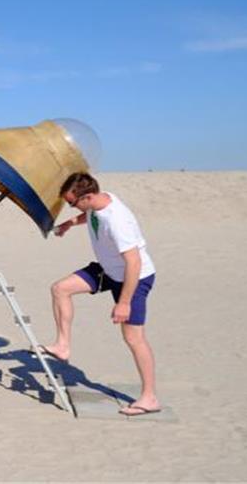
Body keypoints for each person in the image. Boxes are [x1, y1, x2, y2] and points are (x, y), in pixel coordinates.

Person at [44, 172, 160, 416]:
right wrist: (69, 223)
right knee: (60, 289)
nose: (71, 207)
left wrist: (124, 303)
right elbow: (89, 215)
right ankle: (63, 345)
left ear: (87, 197)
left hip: (134, 279)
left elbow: (134, 262)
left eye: (72, 203)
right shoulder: (99, 202)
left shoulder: (116, 221)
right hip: (109, 270)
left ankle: (150, 398)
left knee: (134, 338)